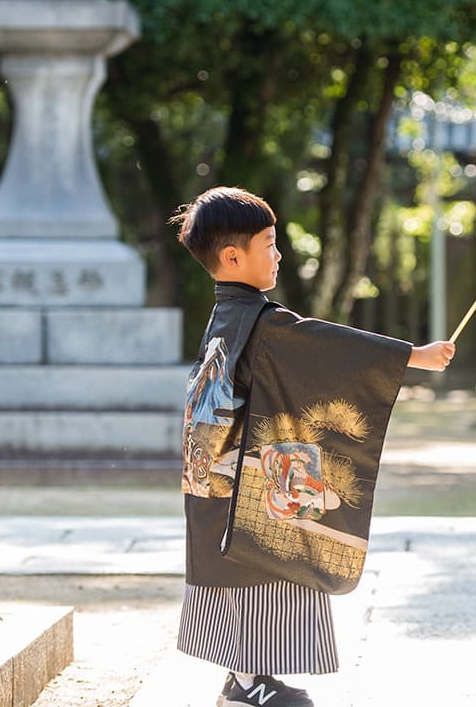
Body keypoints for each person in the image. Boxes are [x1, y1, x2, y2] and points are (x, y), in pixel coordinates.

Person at [169, 186, 455, 707]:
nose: (278, 254)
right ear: (233, 257)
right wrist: (413, 356)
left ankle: (247, 676)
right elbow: (329, 348)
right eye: (269, 244)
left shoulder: (229, 316)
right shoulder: (261, 321)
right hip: (241, 480)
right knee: (258, 570)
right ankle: (250, 680)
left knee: (246, 573)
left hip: (218, 473)